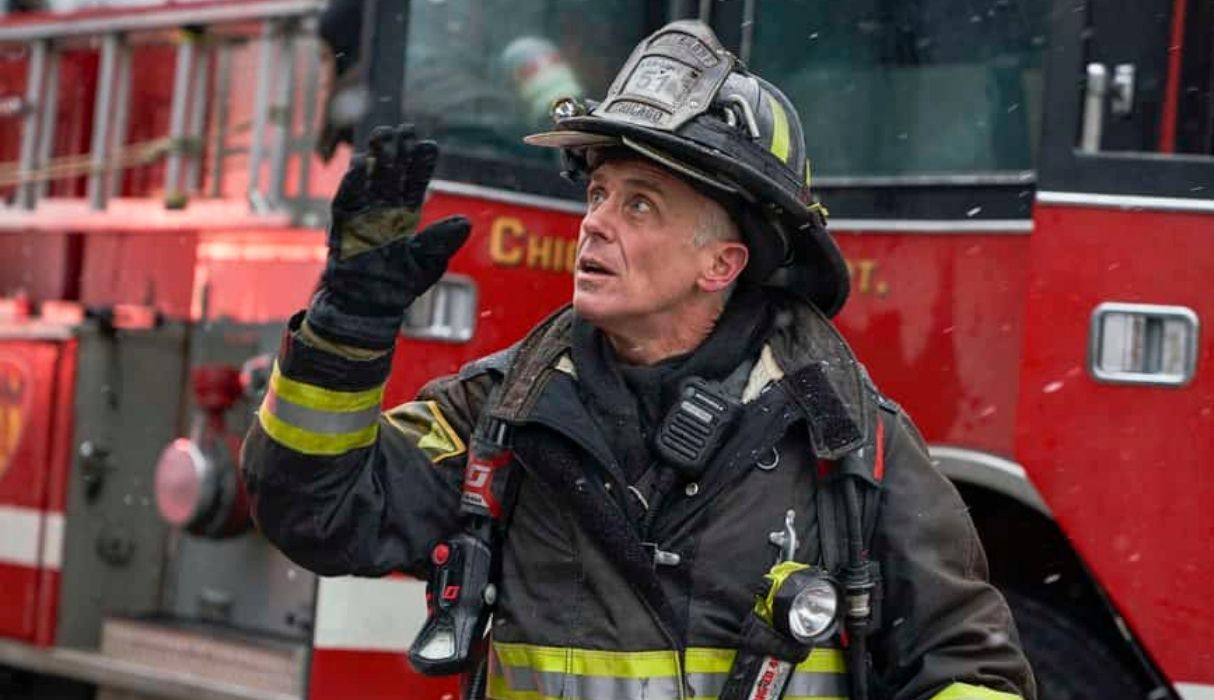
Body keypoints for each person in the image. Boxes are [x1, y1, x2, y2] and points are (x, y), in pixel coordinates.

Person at [243, 20, 1036, 700]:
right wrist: (345, 331)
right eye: (598, 194)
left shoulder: (850, 445)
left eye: (640, 204)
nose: (595, 223)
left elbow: (970, 671)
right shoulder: (502, 416)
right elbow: (315, 513)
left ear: (721, 264)